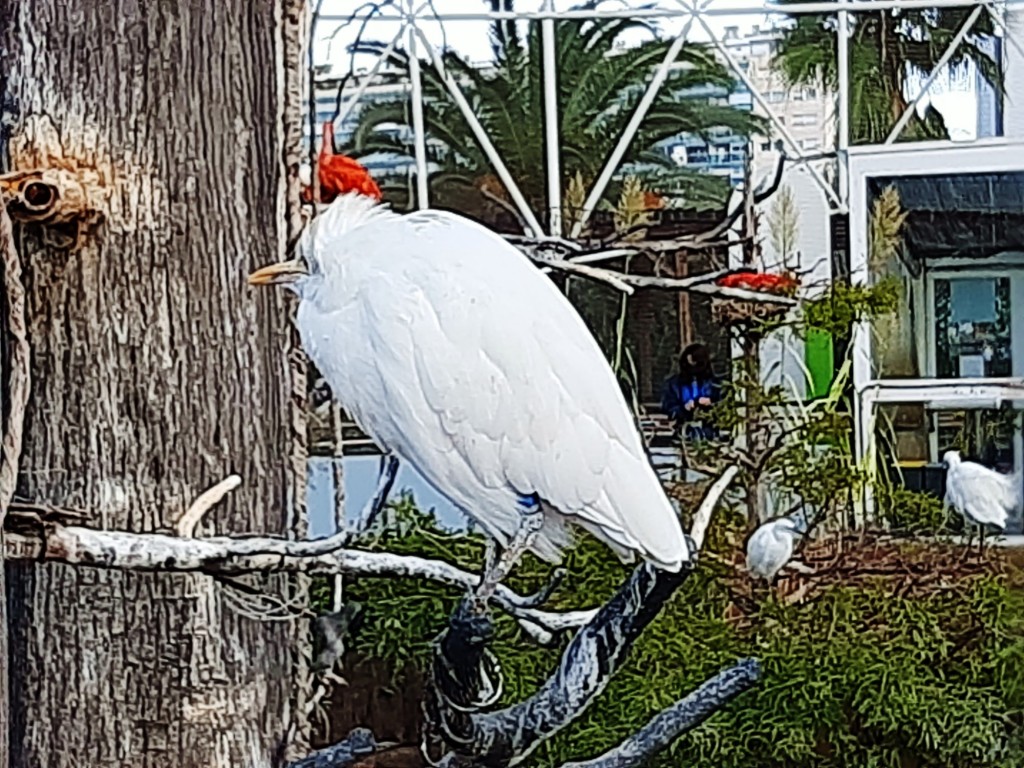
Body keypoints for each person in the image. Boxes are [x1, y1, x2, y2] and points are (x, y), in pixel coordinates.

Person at [661, 343, 721, 441]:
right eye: (688, 365)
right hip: (683, 432)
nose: (692, 369)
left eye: (696, 364)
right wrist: (684, 408)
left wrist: (711, 403)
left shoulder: (714, 384)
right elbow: (668, 408)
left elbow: (723, 405)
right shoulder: (674, 384)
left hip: (710, 433)